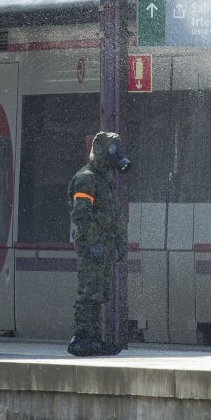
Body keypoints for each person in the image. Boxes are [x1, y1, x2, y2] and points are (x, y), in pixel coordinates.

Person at [66, 131, 132, 357]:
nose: (116, 154)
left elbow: (115, 215)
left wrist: (121, 242)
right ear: (102, 150)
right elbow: (81, 215)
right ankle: (81, 337)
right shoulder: (87, 178)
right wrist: (94, 242)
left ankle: (93, 338)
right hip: (91, 248)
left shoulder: (105, 179)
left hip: (104, 247)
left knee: (99, 292)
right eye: (112, 149)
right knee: (89, 292)